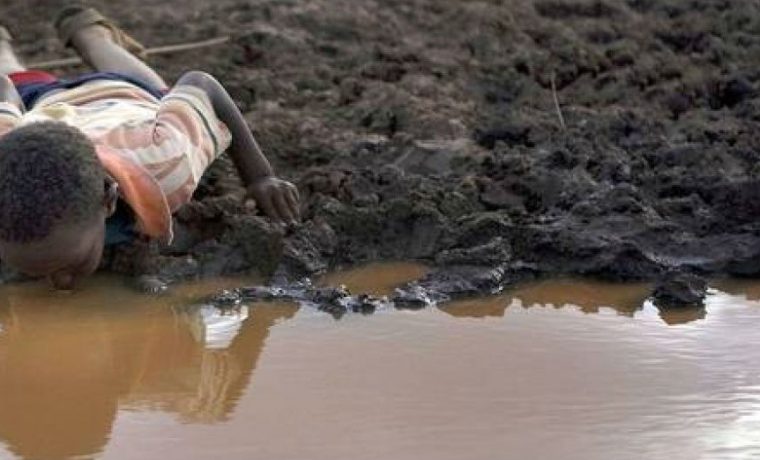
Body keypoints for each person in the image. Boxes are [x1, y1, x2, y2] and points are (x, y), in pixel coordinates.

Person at [0, 5, 300, 291]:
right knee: (8, 72)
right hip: (44, 109)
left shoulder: (166, 163)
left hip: (123, 98)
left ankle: (90, 35)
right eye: (31, 271)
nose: (60, 283)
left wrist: (259, 177)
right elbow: (5, 90)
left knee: (158, 93)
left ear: (109, 199)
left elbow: (201, 84)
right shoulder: (8, 155)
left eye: (67, 265)